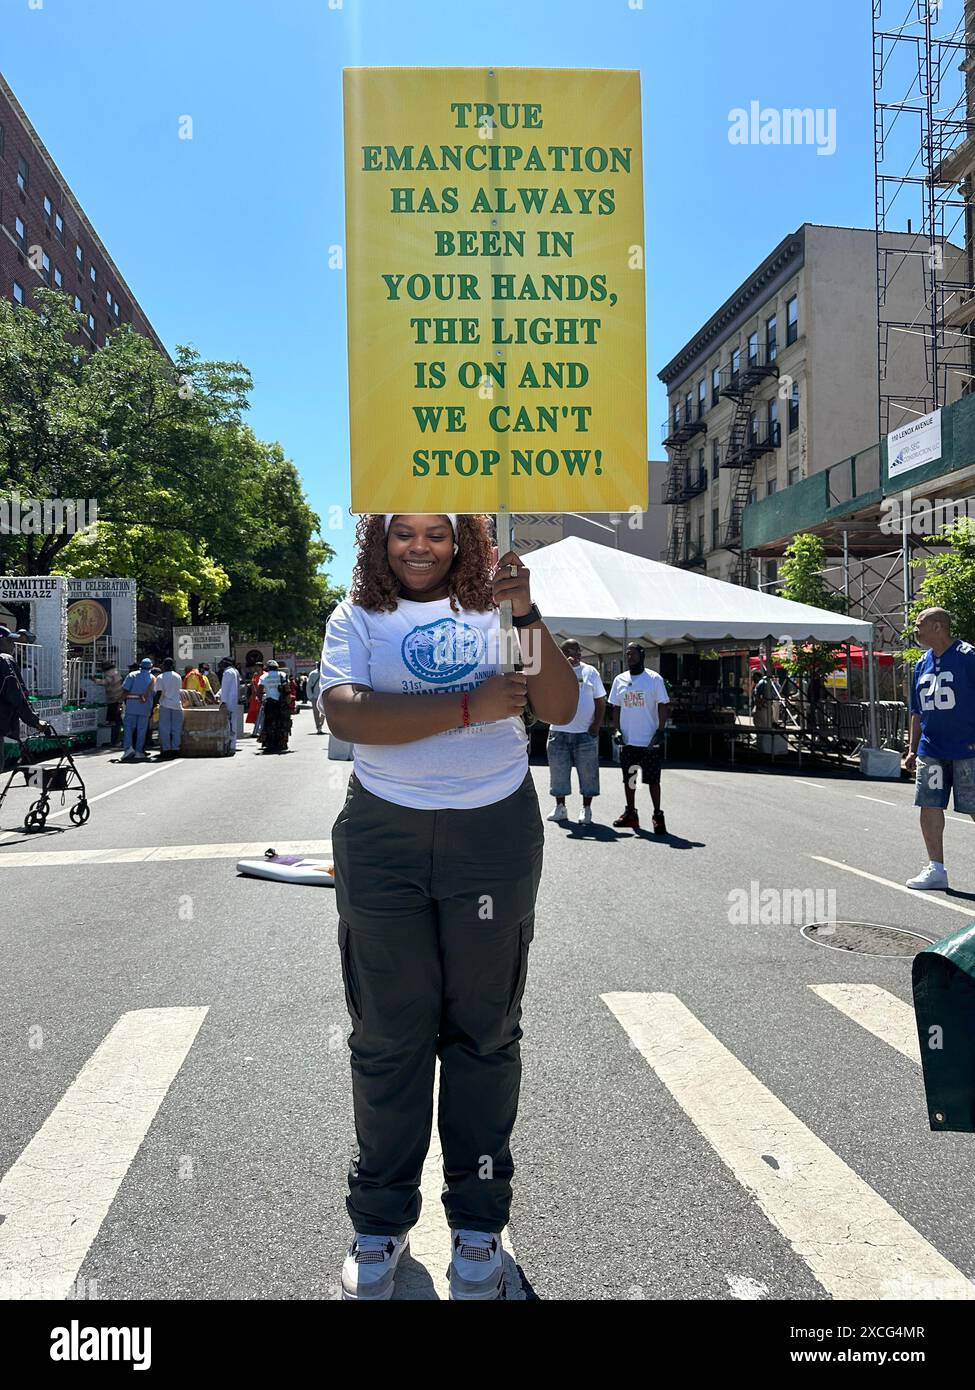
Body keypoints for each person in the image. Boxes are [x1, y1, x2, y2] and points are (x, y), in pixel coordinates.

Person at [322, 512, 575, 1302]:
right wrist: (469, 705)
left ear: (461, 540)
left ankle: (476, 1223)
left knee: (485, 1032)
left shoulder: (500, 609)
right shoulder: (355, 613)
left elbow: (561, 708)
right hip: (383, 832)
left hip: (493, 832)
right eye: (404, 534)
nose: (420, 547)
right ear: (379, 542)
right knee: (388, 1034)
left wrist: (526, 612)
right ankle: (379, 1222)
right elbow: (349, 715)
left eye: (437, 533)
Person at [904, 607, 975, 890]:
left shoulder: (968, 657)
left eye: (920, 624)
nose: (916, 630)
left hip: (967, 748)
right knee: (929, 804)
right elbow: (916, 711)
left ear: (938, 626)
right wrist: (911, 748)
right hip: (931, 747)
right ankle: (936, 868)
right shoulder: (922, 663)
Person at [607, 643, 671, 834]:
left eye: (633, 653)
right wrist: (616, 730)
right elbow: (616, 708)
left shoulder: (653, 679)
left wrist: (660, 729)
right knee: (631, 779)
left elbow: (663, 705)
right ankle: (631, 813)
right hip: (629, 742)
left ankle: (658, 815)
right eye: (627, 654)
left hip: (649, 742)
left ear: (642, 655)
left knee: (653, 780)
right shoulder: (620, 680)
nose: (630, 657)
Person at [546, 639, 606, 825]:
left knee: (588, 774)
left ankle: (586, 809)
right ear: (562, 652)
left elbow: (600, 701)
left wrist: (597, 724)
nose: (577, 653)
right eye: (571, 650)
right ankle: (560, 807)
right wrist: (565, 669)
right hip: (559, 731)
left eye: (579, 649)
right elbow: (547, 693)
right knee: (558, 773)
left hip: (584, 732)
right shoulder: (554, 671)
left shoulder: (591, 672)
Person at [0, 626, 53, 773]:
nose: (13, 646)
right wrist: (36, 722)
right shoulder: (4, 660)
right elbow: (16, 696)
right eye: (10, 641)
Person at [120, 658, 156, 762]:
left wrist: (119, 703)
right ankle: (139, 751)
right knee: (142, 730)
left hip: (131, 706)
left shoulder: (132, 675)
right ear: (150, 667)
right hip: (145, 707)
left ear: (140, 666)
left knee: (128, 728)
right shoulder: (152, 678)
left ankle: (128, 749)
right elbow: (154, 694)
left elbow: (125, 690)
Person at [153, 658, 184, 760]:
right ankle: (175, 749)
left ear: (164, 665)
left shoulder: (161, 677)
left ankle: (166, 750)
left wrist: (153, 705)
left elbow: (159, 693)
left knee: (165, 728)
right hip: (177, 705)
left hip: (165, 705)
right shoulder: (178, 676)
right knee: (176, 728)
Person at [259, 659, 291, 752]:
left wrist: (261, 700)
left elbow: (259, 691)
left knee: (268, 723)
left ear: (268, 668)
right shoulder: (282, 675)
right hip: (281, 704)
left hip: (269, 703)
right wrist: (289, 701)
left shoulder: (264, 676)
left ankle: (269, 743)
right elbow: (287, 688)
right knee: (283, 724)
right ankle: (282, 743)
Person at [216, 657, 240, 753]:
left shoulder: (227, 672)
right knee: (233, 724)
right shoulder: (234, 671)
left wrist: (223, 702)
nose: (220, 664)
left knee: (228, 725)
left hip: (228, 702)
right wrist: (218, 694)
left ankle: (228, 747)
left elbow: (225, 689)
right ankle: (232, 746)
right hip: (233, 701)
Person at [245, 662, 264, 736]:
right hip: (254, 696)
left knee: (261, 712)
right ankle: (256, 728)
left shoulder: (264, 674)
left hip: (261, 696)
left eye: (257, 667)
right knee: (254, 712)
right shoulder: (255, 675)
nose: (256, 668)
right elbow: (252, 683)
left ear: (261, 667)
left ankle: (261, 729)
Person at [306, 664, 325, 734]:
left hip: (323, 696)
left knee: (324, 712)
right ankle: (318, 727)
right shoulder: (313, 673)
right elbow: (309, 685)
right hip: (315, 696)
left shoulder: (325, 673)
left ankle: (320, 724)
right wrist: (310, 696)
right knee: (316, 713)